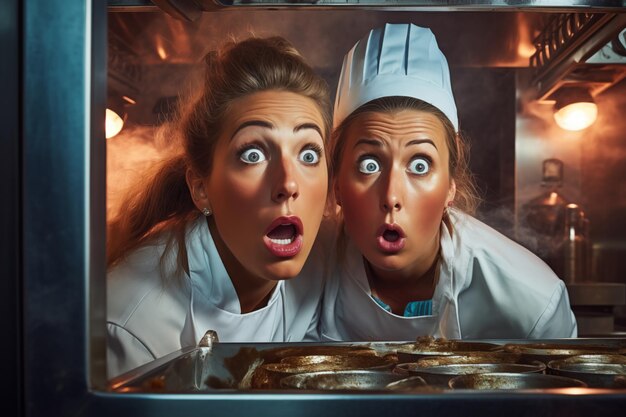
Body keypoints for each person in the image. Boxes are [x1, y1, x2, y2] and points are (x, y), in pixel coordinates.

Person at [320, 23, 577, 341]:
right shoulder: (303, 275)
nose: (391, 196)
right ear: (337, 186)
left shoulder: (534, 305)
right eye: (369, 164)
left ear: (450, 185)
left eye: (419, 165)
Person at [106, 36, 333, 378]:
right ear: (201, 189)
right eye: (253, 154)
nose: (288, 183)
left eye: (308, 154)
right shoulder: (131, 326)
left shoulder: (321, 269)